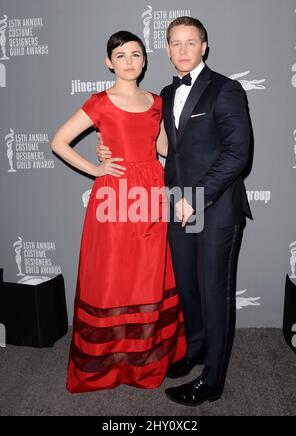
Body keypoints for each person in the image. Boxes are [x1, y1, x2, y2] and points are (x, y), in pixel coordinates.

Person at [97, 17, 252, 405]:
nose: (182, 51)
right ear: (166, 49)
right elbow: (164, 146)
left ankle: (212, 381)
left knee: (214, 293)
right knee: (188, 289)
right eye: (175, 44)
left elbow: (238, 155)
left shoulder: (226, 89)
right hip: (176, 207)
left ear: (204, 47)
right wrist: (107, 150)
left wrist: (197, 196)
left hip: (213, 208)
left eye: (190, 43)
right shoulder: (164, 94)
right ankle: (195, 349)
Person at [50, 30, 186, 393]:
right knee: (113, 276)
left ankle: (144, 361)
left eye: (136, 54)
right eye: (121, 55)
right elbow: (58, 141)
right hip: (114, 195)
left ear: (145, 61)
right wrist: (96, 168)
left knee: (148, 274)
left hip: (151, 194)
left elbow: (163, 149)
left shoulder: (157, 101)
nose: (130, 61)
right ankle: (109, 365)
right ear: (109, 62)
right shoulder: (99, 102)